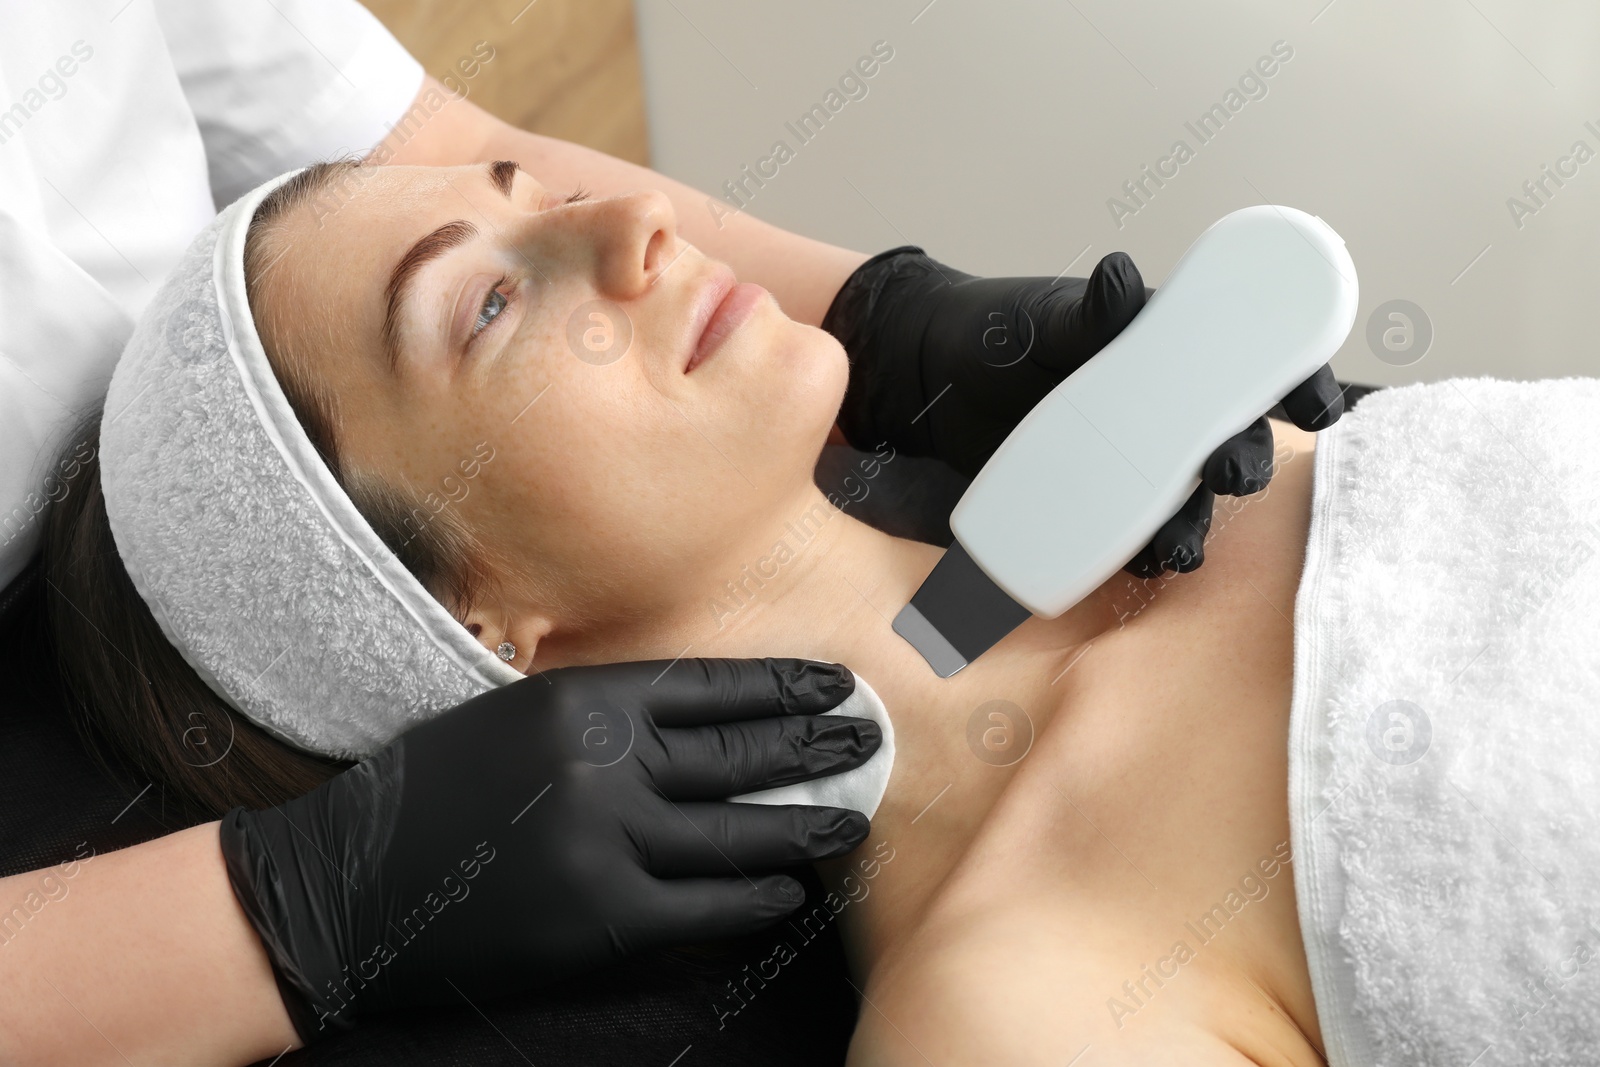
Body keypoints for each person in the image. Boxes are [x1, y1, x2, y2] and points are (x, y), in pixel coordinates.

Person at [0, 5, 1339, 1064]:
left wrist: (889, 310)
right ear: (480, 630)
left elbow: (407, 146)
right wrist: (293, 910)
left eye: (536, 198)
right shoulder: (1018, 1005)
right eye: (487, 309)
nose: (643, 217)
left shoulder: (1261, 470)